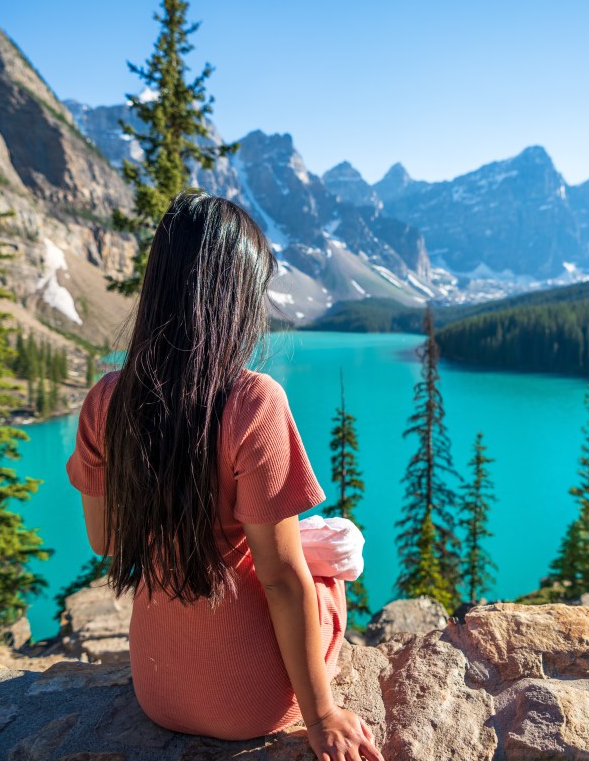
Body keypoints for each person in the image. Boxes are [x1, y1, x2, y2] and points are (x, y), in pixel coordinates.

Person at [66, 191, 382, 761]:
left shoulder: (106, 401)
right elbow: (282, 581)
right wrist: (324, 716)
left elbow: (107, 542)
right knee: (324, 577)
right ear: (235, 299)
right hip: (249, 704)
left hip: (157, 688)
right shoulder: (253, 402)